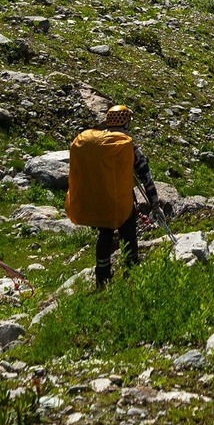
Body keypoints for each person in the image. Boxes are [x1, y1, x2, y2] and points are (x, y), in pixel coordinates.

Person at [69, 105, 159, 289]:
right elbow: (145, 176)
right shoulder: (128, 146)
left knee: (105, 234)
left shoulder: (96, 144)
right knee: (128, 235)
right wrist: (154, 203)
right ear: (126, 122)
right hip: (122, 202)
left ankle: (102, 278)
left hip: (101, 200)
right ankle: (131, 272)